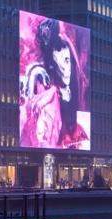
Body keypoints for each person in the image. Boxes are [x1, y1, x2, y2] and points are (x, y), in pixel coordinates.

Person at [20, 17, 88, 149]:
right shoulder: (49, 98)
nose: (65, 68)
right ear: (51, 65)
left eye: (67, 60)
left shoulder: (77, 93)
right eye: (60, 62)